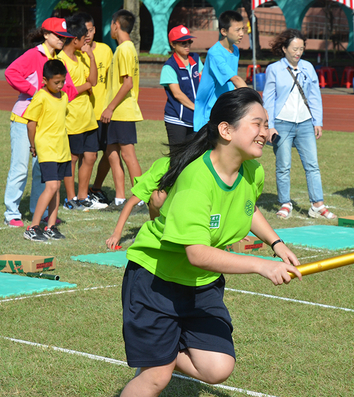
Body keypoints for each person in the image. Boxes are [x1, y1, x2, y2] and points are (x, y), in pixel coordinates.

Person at [119, 88, 302, 397]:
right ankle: (158, 361)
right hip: (156, 282)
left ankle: (162, 353)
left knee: (218, 367)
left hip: (202, 286)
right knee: (156, 378)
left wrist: (276, 242)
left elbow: (247, 207)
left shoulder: (252, 172)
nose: (266, 132)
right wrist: (262, 266)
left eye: (267, 124)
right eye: (257, 124)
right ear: (225, 130)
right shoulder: (196, 180)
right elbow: (198, 254)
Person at [3, 18, 78, 227]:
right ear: (46, 34)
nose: (63, 40)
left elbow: (69, 89)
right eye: (59, 36)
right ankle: (12, 213)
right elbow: (11, 73)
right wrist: (36, 92)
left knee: (41, 169)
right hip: (23, 119)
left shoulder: (58, 60)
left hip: (47, 125)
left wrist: (59, 97)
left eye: (65, 37)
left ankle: (40, 211)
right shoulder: (33, 55)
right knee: (20, 167)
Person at [263, 29, 336, 219]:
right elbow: (269, 100)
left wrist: (317, 121)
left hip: (305, 123)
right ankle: (285, 203)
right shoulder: (274, 69)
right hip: (282, 123)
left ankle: (317, 205)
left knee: (312, 165)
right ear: (284, 49)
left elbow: (314, 96)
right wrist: (270, 125)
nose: (298, 52)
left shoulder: (308, 67)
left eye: (301, 49)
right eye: (294, 48)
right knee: (283, 165)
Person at [57, 15, 105, 211]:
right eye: (83, 37)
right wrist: (85, 86)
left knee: (91, 156)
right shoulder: (60, 60)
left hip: (88, 116)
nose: (87, 40)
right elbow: (68, 91)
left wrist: (92, 57)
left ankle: (83, 196)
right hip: (72, 117)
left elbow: (93, 81)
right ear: (74, 39)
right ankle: (70, 198)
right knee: (73, 158)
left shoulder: (84, 56)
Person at [21, 60, 71, 241]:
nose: (60, 85)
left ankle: (51, 226)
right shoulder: (41, 96)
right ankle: (33, 227)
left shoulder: (64, 97)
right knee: (51, 186)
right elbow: (31, 123)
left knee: (57, 187)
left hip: (62, 148)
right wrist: (33, 144)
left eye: (62, 81)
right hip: (47, 147)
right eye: (56, 82)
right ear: (44, 80)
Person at [100, 10, 143, 212]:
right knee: (111, 153)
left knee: (127, 155)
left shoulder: (125, 49)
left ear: (116, 24)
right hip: (115, 113)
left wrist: (110, 107)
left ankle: (141, 197)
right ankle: (119, 198)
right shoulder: (122, 49)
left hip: (121, 111)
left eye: (111, 24)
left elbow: (128, 83)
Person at [76, 11, 114, 206]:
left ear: (95, 30)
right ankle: (78, 193)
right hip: (82, 113)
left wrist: (111, 107)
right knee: (84, 155)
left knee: (109, 153)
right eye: (84, 31)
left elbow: (112, 80)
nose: (88, 34)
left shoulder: (106, 50)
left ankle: (96, 187)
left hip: (103, 112)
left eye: (90, 30)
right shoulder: (74, 53)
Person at [193, 10, 246, 132]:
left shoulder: (235, 51)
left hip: (225, 108)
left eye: (242, 29)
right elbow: (235, 79)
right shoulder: (214, 53)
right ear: (223, 31)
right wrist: (254, 101)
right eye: (237, 30)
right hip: (209, 113)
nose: (242, 33)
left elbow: (231, 85)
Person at [106, 156, 169, 250]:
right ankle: (156, 231)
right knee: (158, 197)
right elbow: (131, 202)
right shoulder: (160, 170)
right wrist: (117, 233)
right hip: (170, 206)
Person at [160, 25, 202, 146]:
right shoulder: (169, 66)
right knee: (177, 158)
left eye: (189, 41)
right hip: (176, 118)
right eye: (183, 42)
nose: (187, 45)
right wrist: (196, 107)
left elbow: (203, 80)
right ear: (173, 44)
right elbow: (177, 94)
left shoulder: (195, 58)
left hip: (195, 116)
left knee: (192, 156)